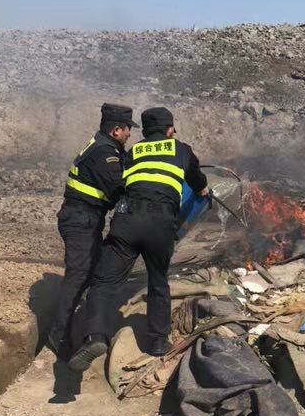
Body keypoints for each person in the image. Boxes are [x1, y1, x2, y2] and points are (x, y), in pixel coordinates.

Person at [68, 106, 208, 372]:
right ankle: (157, 342)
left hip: (127, 221)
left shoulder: (132, 152)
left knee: (104, 281)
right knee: (158, 280)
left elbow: (122, 184)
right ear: (169, 130)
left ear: (145, 131)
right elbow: (197, 180)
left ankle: (95, 336)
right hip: (160, 224)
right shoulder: (181, 149)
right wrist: (202, 190)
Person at [48, 103, 139, 357]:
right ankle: (59, 336)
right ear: (116, 130)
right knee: (78, 275)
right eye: (127, 129)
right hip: (80, 219)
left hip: (85, 217)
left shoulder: (105, 146)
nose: (129, 134)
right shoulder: (104, 153)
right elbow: (118, 188)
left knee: (89, 273)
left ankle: (75, 325)